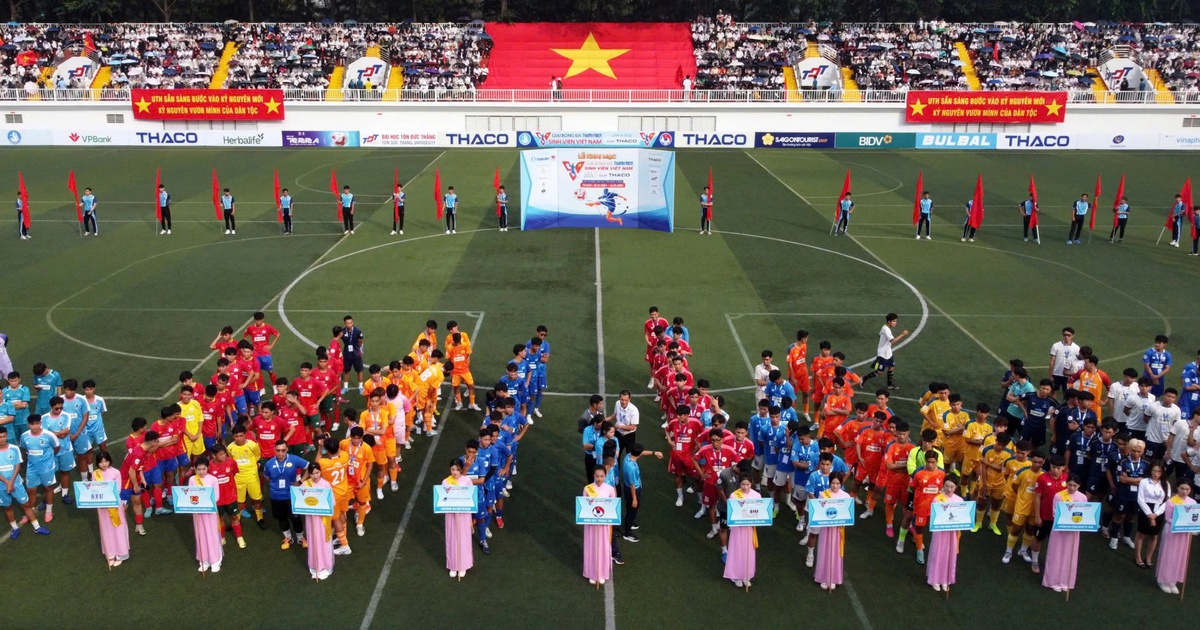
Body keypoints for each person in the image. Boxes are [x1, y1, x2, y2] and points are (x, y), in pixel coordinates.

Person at [1042, 474, 1087, 592]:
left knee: (1069, 556)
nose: (1072, 488)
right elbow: (1055, 512)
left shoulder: (1082, 497)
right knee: (1056, 554)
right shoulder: (1059, 496)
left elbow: (1085, 513)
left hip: (1073, 531)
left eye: (1075, 486)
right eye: (1070, 485)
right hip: (1059, 530)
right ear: (1066, 484)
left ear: (1079, 486)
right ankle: (1052, 581)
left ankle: (1066, 581)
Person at [1, 423, 47, 537]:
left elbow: (18, 466)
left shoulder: (14, 448)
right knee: (8, 507)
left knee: (26, 505)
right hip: (1, 486)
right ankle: (15, 528)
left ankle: (37, 527)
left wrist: (11, 483)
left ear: (7, 436)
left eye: (4, 436)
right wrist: (7, 483)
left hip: (16, 483)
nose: (2, 439)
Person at [264, 440, 306, 547]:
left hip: (291, 495)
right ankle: (288, 538)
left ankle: (301, 538)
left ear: (287, 449)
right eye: (278, 450)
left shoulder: (294, 459)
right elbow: (266, 477)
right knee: (282, 518)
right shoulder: (269, 463)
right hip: (276, 497)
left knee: (296, 519)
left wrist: (300, 481)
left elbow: (310, 467)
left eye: (283, 450)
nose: (280, 453)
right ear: (274, 450)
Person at [814, 471, 851, 590]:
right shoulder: (823, 494)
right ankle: (823, 577)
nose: (835, 486)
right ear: (829, 483)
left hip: (838, 529)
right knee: (825, 550)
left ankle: (834, 577)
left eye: (838, 483)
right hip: (826, 528)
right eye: (833, 483)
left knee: (835, 552)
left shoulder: (845, 496)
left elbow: (848, 513)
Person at [1156, 480, 1195, 593]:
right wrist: (1182, 522)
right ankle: (1163, 579)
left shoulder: (1192, 502)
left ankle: (1173, 580)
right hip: (1172, 532)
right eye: (1182, 488)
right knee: (1169, 554)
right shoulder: (1171, 502)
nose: (1184, 491)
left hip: (1184, 533)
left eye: (1187, 489)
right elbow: (1168, 518)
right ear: (1177, 488)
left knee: (1180, 556)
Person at [92, 452, 129, 568]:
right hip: (103, 505)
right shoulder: (95, 474)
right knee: (106, 528)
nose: (104, 464)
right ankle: (111, 552)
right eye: (101, 462)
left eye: (106, 461)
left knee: (117, 527)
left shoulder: (115, 473)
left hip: (114, 504)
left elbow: (117, 489)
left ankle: (120, 553)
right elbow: (94, 488)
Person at [926, 474, 963, 592]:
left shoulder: (959, 500)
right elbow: (934, 516)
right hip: (940, 531)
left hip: (952, 532)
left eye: (952, 487)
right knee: (938, 553)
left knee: (950, 554)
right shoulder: (937, 499)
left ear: (956, 487)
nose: (949, 489)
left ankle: (946, 579)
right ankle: (935, 579)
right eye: (946, 486)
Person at [1110, 438, 1148, 550]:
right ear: (1130, 449)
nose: (1136, 453)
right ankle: (1114, 538)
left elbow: (1146, 481)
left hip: (1137, 496)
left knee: (1131, 516)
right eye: (1134, 450)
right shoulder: (1123, 461)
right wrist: (1138, 479)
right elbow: (1121, 479)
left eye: (1139, 451)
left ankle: (1127, 537)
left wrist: (1129, 479)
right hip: (1123, 494)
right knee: (1119, 515)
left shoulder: (1146, 464)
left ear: (1143, 451)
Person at [723, 475, 759, 588]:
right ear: (739, 484)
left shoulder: (756, 495)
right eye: (743, 484)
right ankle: (736, 576)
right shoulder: (734, 495)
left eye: (747, 484)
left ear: (751, 484)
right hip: (737, 528)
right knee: (737, 550)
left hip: (749, 528)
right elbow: (732, 512)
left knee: (748, 550)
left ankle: (746, 575)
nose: (745, 487)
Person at [621, 442, 661, 542]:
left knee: (631, 508)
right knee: (632, 510)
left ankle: (631, 523)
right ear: (638, 453)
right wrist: (634, 498)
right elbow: (632, 485)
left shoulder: (628, 456)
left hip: (629, 488)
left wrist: (654, 453)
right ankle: (627, 532)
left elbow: (642, 453)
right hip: (632, 490)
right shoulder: (631, 468)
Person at [582, 466, 616, 586]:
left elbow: (613, 507)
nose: (599, 479)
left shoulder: (610, 489)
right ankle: (592, 573)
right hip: (591, 525)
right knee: (592, 546)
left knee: (603, 546)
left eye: (601, 476)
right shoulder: (588, 489)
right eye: (597, 476)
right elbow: (584, 506)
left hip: (604, 525)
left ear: (605, 476)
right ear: (593, 476)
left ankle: (602, 573)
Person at [189, 457, 223, 573]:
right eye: (199, 469)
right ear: (195, 469)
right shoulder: (192, 479)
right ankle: (204, 561)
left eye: (204, 469)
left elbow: (216, 497)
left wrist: (204, 502)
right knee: (201, 535)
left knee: (212, 535)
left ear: (208, 468)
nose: (201, 471)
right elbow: (190, 495)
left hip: (210, 512)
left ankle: (216, 561)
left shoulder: (213, 479)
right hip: (198, 513)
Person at [302, 463, 334, 580]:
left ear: (320, 472)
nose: (315, 476)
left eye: (317, 473)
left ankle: (325, 566)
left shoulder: (326, 484)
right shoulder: (306, 484)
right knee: (313, 540)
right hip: (311, 518)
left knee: (323, 541)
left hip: (322, 519)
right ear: (309, 474)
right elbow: (300, 500)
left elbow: (331, 503)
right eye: (312, 473)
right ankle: (315, 565)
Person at [1135, 460, 1169, 567]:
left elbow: (1167, 500)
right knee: (1141, 533)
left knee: (1154, 535)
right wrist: (1150, 515)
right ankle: (1138, 557)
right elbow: (1140, 499)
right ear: (1150, 470)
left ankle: (1148, 557)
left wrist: (1156, 514)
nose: (1156, 474)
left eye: (1159, 471)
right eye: (1154, 471)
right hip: (1146, 509)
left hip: (1159, 511)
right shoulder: (1144, 482)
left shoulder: (1165, 484)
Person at [862, 313, 908, 390]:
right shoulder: (886, 329)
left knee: (891, 368)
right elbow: (892, 342)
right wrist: (902, 334)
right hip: (883, 354)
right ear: (889, 321)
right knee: (880, 372)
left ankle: (889, 385)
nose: (895, 323)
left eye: (896, 321)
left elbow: (880, 335)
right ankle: (864, 378)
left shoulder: (884, 327)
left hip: (888, 352)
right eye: (894, 321)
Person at [1049, 328, 1080, 395]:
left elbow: (1077, 362)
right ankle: (1052, 405)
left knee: (1067, 392)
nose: (1066, 337)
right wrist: (1050, 375)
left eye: (1069, 335)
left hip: (1068, 374)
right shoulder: (1056, 345)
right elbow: (1052, 361)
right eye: (1065, 335)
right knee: (1053, 391)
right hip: (1056, 373)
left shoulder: (1076, 348)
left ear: (1073, 336)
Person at [341, 316, 365, 394]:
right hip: (347, 353)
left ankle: (361, 386)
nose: (349, 324)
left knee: (359, 370)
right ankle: (345, 387)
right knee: (346, 370)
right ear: (345, 323)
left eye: (351, 323)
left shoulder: (357, 331)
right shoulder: (343, 331)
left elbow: (360, 340)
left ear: (353, 322)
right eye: (347, 323)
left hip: (356, 353)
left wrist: (359, 349)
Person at [609, 390, 639, 454]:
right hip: (618, 433)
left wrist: (619, 426)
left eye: (626, 400)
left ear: (629, 399)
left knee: (629, 455)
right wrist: (605, 419)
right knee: (616, 453)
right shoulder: (617, 403)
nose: (624, 402)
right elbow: (615, 414)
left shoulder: (634, 410)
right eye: (622, 400)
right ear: (619, 398)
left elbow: (632, 427)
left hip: (629, 436)